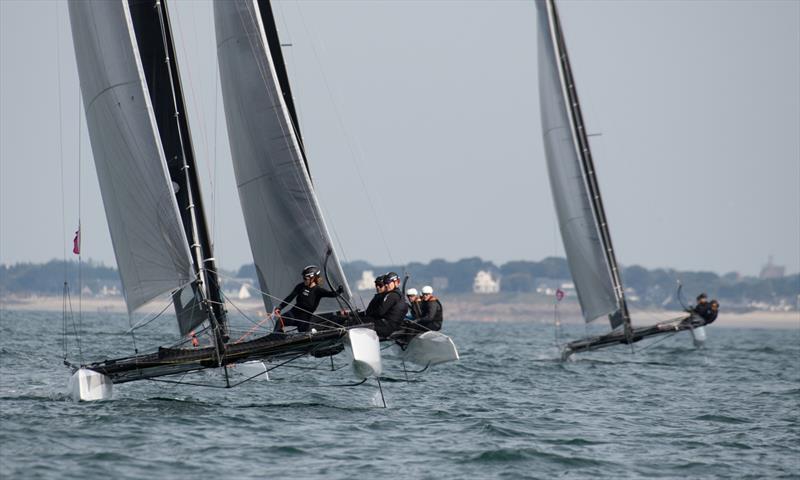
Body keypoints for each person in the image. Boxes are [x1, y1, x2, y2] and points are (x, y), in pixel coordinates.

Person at [273, 265, 342, 333]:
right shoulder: (300, 286)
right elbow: (290, 297)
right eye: (303, 278)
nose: (304, 280)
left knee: (304, 333)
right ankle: (276, 337)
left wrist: (339, 291)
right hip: (293, 313)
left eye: (306, 278)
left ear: (313, 278)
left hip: (304, 319)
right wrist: (280, 307)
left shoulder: (318, 290)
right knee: (279, 321)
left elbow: (332, 294)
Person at [363, 272, 408, 339]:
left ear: (396, 282)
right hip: (391, 326)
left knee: (358, 321)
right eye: (385, 283)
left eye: (388, 282)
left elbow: (380, 312)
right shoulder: (399, 295)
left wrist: (369, 314)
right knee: (364, 319)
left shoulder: (392, 295)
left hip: (386, 328)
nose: (386, 285)